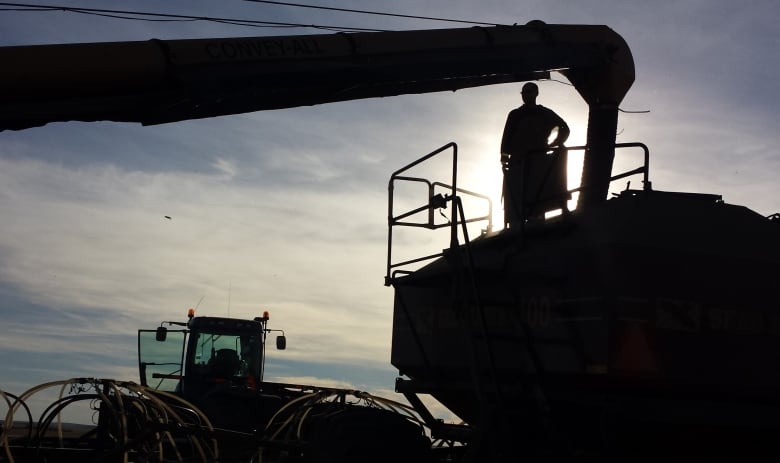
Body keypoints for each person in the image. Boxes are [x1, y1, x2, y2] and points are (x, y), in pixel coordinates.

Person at [500, 82, 570, 227]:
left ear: (536, 93)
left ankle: (541, 220)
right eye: (523, 93)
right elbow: (507, 136)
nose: (525, 95)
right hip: (518, 164)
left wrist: (556, 143)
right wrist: (504, 156)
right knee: (516, 203)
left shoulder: (544, 113)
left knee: (539, 200)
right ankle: (515, 228)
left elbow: (564, 128)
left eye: (529, 92)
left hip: (539, 163)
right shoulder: (515, 115)